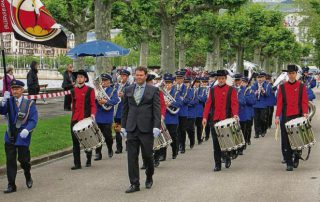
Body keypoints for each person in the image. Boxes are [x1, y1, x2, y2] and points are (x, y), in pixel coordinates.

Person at [121, 66, 161, 193]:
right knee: (131, 157)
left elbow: (156, 110)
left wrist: (156, 126)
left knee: (148, 156)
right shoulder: (128, 89)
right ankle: (134, 184)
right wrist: (123, 126)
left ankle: (149, 176)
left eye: (141, 75)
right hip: (132, 128)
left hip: (147, 129)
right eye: (137, 75)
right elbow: (125, 110)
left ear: (145, 76)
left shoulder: (153, 90)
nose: (139, 77)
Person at [0, 80, 38, 193]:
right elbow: (2, 111)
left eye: (17, 89)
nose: (14, 91)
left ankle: (28, 174)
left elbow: (33, 120)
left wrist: (27, 129)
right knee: (10, 161)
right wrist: (2, 102)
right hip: (10, 135)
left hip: (23, 135)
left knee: (23, 160)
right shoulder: (9, 101)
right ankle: (11, 185)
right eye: (13, 89)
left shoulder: (29, 103)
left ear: (22, 90)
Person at [202, 70, 239, 172]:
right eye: (219, 78)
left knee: (226, 142)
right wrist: (205, 117)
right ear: (217, 79)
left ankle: (227, 157)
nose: (221, 80)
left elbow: (234, 104)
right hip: (215, 119)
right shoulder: (212, 90)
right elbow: (208, 104)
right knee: (216, 143)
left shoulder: (232, 90)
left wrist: (235, 114)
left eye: (223, 78)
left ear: (226, 79)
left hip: (226, 119)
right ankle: (217, 164)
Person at [275, 64, 308, 171]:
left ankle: (296, 157)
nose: (291, 75)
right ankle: (289, 162)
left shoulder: (302, 86)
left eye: (293, 73)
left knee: (297, 139)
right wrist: (276, 116)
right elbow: (279, 103)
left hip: (298, 115)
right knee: (286, 140)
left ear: (296, 74)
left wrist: (305, 113)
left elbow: (304, 101)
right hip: (285, 116)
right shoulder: (282, 87)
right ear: (287, 74)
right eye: (290, 73)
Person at [70, 70, 96, 170]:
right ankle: (77, 164)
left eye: (81, 77)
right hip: (75, 119)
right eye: (78, 77)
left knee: (86, 141)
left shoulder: (90, 90)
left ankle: (89, 159)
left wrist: (92, 115)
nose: (79, 79)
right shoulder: (73, 91)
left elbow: (93, 105)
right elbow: (73, 106)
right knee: (75, 143)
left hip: (85, 119)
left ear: (85, 79)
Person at [94, 73, 120, 161]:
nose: (103, 82)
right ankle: (98, 153)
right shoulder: (97, 90)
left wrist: (105, 101)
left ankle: (109, 148)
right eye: (103, 81)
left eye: (105, 81)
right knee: (97, 135)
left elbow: (115, 101)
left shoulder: (113, 90)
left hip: (107, 116)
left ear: (109, 81)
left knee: (108, 136)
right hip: (98, 115)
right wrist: (97, 100)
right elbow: (93, 100)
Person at [114, 69, 131, 154]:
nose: (122, 77)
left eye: (124, 76)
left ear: (127, 77)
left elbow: (132, 98)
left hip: (126, 111)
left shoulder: (130, 86)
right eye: (121, 76)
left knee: (127, 130)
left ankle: (128, 146)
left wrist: (123, 95)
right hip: (117, 112)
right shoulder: (117, 86)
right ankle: (119, 147)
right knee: (117, 130)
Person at [251, 72, 270, 138]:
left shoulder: (266, 85)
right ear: (256, 78)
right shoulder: (253, 85)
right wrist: (255, 93)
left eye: (261, 77)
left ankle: (263, 130)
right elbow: (252, 95)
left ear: (264, 78)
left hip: (263, 104)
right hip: (255, 104)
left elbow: (268, 95)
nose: (260, 79)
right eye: (258, 77)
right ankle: (257, 133)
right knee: (256, 120)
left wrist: (263, 91)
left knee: (262, 119)